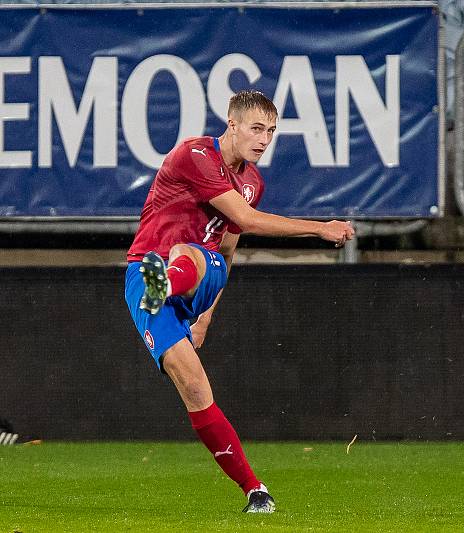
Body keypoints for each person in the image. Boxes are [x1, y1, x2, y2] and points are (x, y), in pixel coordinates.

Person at [124, 90, 355, 514]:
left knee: (188, 252)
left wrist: (206, 317)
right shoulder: (194, 153)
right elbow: (247, 220)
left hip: (196, 271)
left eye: (271, 131)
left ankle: (169, 285)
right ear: (231, 125)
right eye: (256, 128)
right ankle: (256, 491)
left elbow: (228, 250)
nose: (265, 139)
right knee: (193, 385)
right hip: (143, 272)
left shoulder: (252, 183)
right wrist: (319, 228)